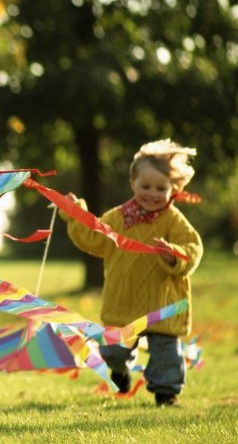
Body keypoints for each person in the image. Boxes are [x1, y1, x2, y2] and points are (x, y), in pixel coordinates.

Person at [61, 139, 203, 406]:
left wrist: (174, 253)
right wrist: (74, 212)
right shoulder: (117, 218)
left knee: (166, 354)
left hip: (162, 302)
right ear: (132, 183)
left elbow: (193, 248)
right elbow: (92, 237)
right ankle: (120, 370)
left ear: (174, 188)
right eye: (145, 186)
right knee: (114, 351)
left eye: (161, 188)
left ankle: (166, 394)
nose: (152, 193)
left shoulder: (173, 220)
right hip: (123, 301)